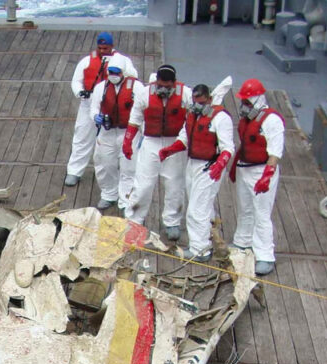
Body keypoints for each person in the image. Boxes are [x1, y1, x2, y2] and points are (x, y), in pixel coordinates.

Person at [155, 79, 235, 259]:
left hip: (209, 166)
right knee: (201, 204)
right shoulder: (192, 116)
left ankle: (200, 249)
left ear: (209, 99)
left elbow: (228, 147)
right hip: (193, 164)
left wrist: (219, 165)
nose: (197, 106)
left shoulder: (221, 118)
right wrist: (170, 149)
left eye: (201, 103)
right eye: (195, 102)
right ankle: (209, 236)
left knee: (197, 209)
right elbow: (185, 137)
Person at [121, 65, 193, 235]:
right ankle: (134, 219)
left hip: (175, 142)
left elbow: (191, 121)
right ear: (156, 82)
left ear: (174, 83)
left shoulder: (186, 95)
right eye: (161, 85)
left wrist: (178, 145)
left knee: (175, 184)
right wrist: (127, 141)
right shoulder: (144, 94)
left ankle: (172, 221)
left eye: (168, 87)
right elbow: (135, 119)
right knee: (143, 184)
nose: (164, 89)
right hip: (150, 142)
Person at [64, 32, 135, 187]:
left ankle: (117, 172)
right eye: (100, 47)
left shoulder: (122, 61)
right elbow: (76, 80)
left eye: (106, 47)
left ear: (111, 46)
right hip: (89, 102)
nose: (103, 50)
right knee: (82, 136)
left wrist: (116, 67)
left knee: (113, 140)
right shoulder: (86, 61)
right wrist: (79, 91)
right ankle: (74, 171)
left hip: (111, 104)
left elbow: (133, 76)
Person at [230, 77, 285, 276]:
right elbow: (244, 144)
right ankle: (243, 242)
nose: (243, 105)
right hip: (245, 167)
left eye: (247, 101)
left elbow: (275, 153)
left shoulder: (272, 121)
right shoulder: (247, 121)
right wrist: (235, 166)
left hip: (261, 169)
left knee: (262, 213)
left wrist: (267, 176)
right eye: (242, 102)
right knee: (244, 208)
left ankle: (265, 254)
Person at [88, 64, 140, 210]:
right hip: (107, 131)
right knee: (104, 163)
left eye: (117, 72)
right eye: (111, 72)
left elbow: (142, 109)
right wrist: (95, 117)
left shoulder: (136, 88)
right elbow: (93, 108)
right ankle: (108, 193)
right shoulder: (101, 88)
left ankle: (125, 199)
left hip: (128, 132)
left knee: (129, 167)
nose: (113, 75)